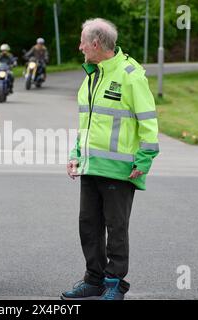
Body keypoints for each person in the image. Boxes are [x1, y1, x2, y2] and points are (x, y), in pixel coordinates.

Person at [61, 18, 159, 300]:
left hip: (121, 170)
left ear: (95, 43)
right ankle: (93, 280)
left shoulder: (130, 75)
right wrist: (75, 155)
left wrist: (144, 159)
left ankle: (115, 284)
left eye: (82, 42)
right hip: (91, 167)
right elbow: (87, 125)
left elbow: (148, 121)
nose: (79, 47)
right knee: (88, 225)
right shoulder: (92, 75)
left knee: (116, 228)